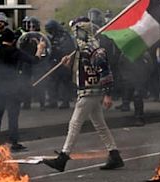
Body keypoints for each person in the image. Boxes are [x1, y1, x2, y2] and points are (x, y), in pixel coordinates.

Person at [42, 16, 124, 172]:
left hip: (90, 92)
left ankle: (63, 158)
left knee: (74, 124)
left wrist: (108, 94)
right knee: (100, 125)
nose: (75, 36)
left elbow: (105, 71)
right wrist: (69, 64)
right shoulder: (86, 48)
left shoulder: (93, 49)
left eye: (77, 32)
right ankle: (114, 155)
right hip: (89, 91)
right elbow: (82, 72)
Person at [0, 13, 46, 151]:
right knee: (13, 117)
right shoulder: (15, 51)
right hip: (12, 90)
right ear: (12, 40)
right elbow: (34, 61)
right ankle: (13, 143)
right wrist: (40, 50)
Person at [44, 19, 76, 109]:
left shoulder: (64, 36)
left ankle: (65, 102)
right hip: (53, 61)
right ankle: (52, 101)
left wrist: (57, 49)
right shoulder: (51, 36)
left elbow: (68, 48)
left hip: (63, 62)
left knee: (64, 82)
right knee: (52, 82)